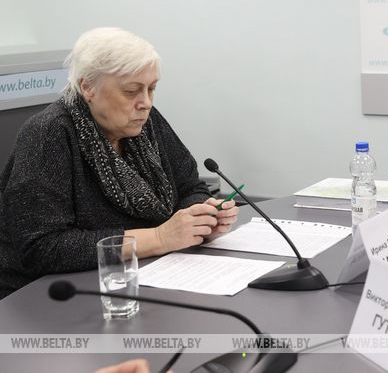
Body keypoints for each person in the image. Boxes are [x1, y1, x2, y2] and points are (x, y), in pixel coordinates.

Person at [0, 27, 239, 298]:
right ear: (87, 87)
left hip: (140, 275)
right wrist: (159, 238)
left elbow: (190, 187)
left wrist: (201, 218)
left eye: (151, 89)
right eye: (131, 91)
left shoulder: (147, 122)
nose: (145, 103)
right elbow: (43, 248)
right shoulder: (49, 133)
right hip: (49, 294)